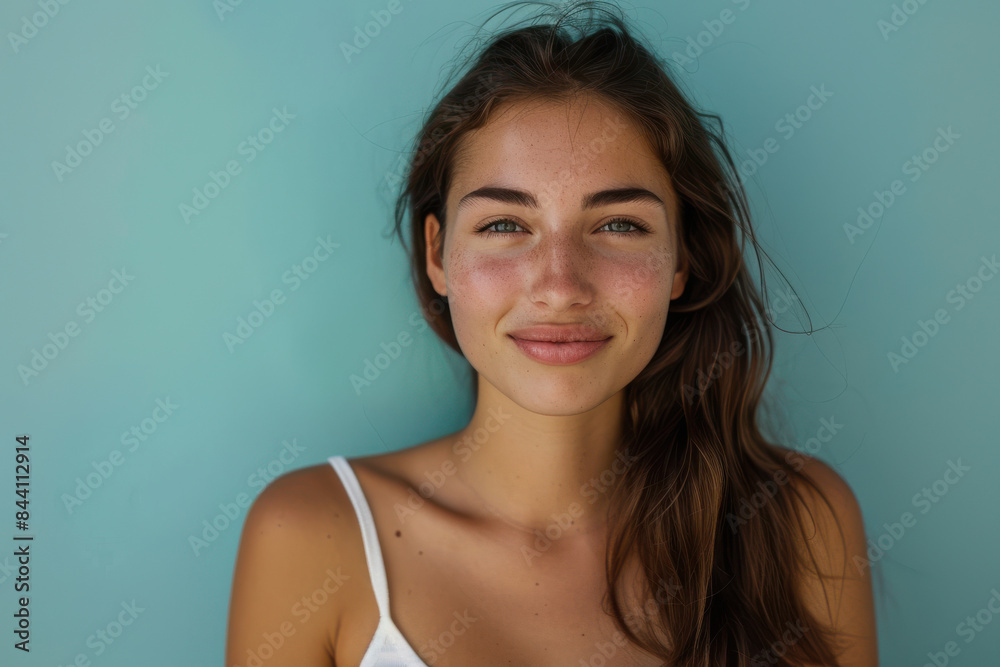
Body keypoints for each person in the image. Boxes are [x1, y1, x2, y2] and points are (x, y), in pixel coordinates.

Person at [225, 2, 879, 665]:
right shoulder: (311, 537)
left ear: (680, 259)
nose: (561, 284)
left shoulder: (798, 523)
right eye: (505, 225)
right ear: (437, 254)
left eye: (619, 224)